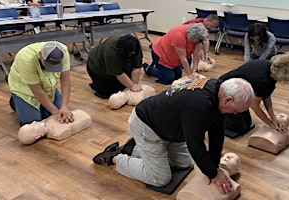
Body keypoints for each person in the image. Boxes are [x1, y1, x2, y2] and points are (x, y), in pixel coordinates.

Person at [93, 78, 254, 195]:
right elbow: (195, 144)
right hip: (147, 125)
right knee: (160, 178)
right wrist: (213, 174)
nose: (236, 114)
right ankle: (115, 157)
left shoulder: (218, 89)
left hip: (170, 127)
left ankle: (135, 148)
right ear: (228, 99)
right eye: (236, 110)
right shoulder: (199, 104)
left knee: (184, 163)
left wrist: (214, 167)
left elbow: (217, 133)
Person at [219, 52, 289, 137]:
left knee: (247, 124)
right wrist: (270, 124)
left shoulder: (271, 70)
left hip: (239, 92)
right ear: (286, 74)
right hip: (225, 93)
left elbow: (266, 96)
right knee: (238, 128)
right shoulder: (261, 80)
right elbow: (255, 106)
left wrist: (273, 118)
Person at [8, 41, 73, 126]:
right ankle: (15, 101)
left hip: (48, 87)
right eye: (48, 64)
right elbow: (37, 91)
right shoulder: (25, 58)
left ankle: (43, 106)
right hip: (26, 90)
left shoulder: (63, 52)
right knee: (33, 122)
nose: (51, 69)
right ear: (40, 54)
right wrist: (56, 112)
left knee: (61, 113)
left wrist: (64, 106)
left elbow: (65, 80)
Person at [87, 34, 143, 99]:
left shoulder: (136, 47)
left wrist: (134, 84)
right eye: (130, 53)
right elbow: (119, 74)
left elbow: (136, 68)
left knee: (124, 87)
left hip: (122, 65)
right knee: (108, 93)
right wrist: (131, 86)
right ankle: (97, 84)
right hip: (98, 66)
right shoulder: (111, 51)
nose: (132, 54)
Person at [177, 153, 241, 200]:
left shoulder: (235, 186)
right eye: (224, 156)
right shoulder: (202, 169)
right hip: (185, 193)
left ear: (237, 169)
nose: (226, 158)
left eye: (233, 158)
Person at [18, 110, 92, 145]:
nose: (34, 122)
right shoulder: (57, 133)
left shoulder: (45, 122)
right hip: (83, 118)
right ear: (38, 136)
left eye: (30, 123)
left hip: (76, 113)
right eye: (33, 127)